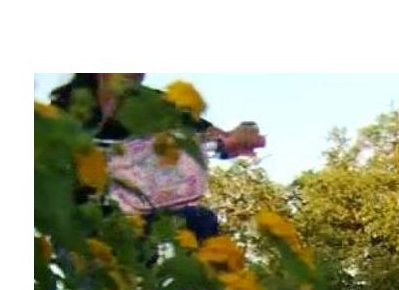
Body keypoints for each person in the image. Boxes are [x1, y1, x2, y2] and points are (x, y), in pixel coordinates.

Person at [48, 73, 264, 241]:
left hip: (138, 216)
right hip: (83, 221)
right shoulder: (64, 108)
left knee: (200, 221)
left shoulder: (153, 105)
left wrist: (235, 138)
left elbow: (210, 135)